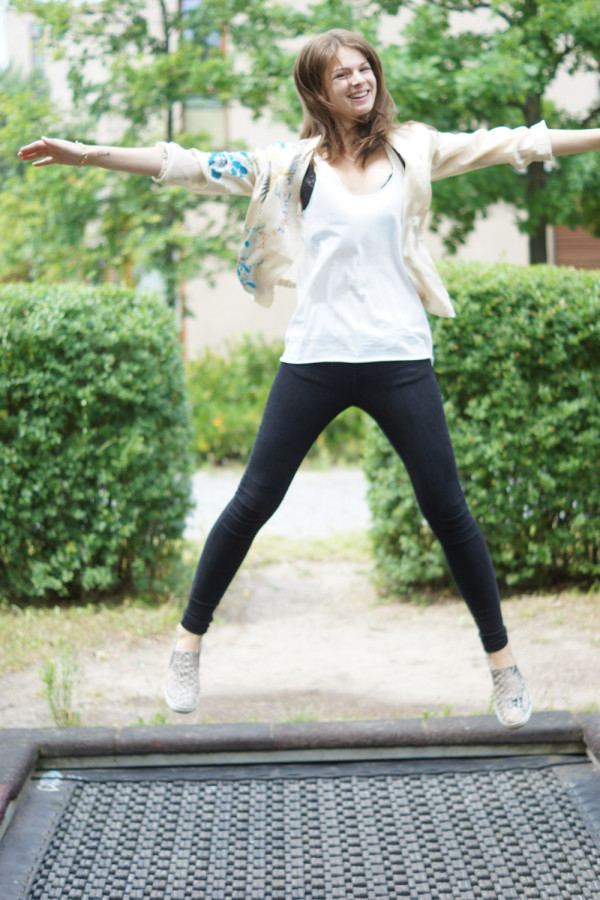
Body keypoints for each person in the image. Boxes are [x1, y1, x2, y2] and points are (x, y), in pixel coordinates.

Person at [19, 28, 600, 729]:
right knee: (252, 502)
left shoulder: (415, 147)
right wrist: (84, 152)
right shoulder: (287, 165)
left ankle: (504, 667)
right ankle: (186, 646)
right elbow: (186, 163)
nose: (359, 80)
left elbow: (517, 143)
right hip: (317, 358)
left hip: (398, 356)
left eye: (365, 69)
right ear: (317, 91)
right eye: (342, 74)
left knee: (449, 512)